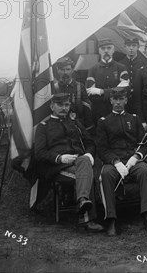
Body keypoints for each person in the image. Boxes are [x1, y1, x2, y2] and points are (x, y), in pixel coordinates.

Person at [34, 93, 103, 231]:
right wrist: (59, 158)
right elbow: (39, 153)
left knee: (84, 162)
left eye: (66, 105)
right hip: (58, 167)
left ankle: (83, 201)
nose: (64, 108)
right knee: (86, 173)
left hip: (79, 162)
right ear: (52, 106)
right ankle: (87, 219)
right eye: (60, 105)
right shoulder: (44, 126)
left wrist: (89, 154)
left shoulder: (74, 122)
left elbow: (89, 141)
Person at [97, 87, 147, 236]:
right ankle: (110, 218)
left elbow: (144, 143)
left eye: (121, 99)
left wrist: (135, 158)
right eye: (115, 99)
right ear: (111, 101)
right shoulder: (104, 122)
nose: (118, 103)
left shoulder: (134, 119)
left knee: (145, 171)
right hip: (113, 162)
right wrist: (116, 162)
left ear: (126, 100)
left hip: (132, 159)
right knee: (106, 175)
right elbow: (102, 149)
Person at [86, 39, 129, 126]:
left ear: (113, 50)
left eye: (109, 48)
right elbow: (91, 93)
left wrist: (102, 92)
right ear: (99, 51)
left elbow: (125, 89)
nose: (106, 51)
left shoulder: (121, 68)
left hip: (118, 111)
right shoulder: (93, 69)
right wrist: (115, 93)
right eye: (103, 48)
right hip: (99, 112)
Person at [52, 56, 93, 131]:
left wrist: (88, 128)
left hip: (77, 125)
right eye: (62, 70)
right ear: (57, 70)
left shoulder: (80, 86)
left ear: (72, 70)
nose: (65, 73)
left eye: (68, 69)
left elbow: (87, 109)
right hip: (58, 126)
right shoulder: (54, 88)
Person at [122, 37, 147, 113]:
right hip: (124, 100)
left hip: (141, 99)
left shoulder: (145, 64)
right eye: (128, 45)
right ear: (124, 47)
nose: (131, 48)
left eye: (134, 45)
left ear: (138, 47)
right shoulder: (120, 64)